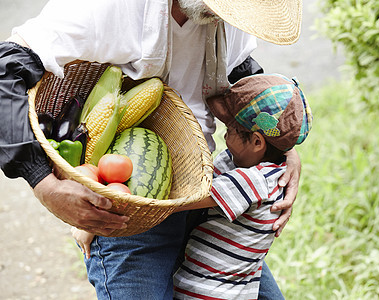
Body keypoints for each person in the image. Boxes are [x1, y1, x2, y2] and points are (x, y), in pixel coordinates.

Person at [0, 0, 303, 298]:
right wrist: (43, 183)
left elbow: (239, 72)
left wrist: (284, 149)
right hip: (131, 211)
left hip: (206, 204)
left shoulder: (234, 17)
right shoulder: (109, 8)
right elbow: (6, 72)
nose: (227, 15)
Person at [73, 73, 312, 299]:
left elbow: (178, 202)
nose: (225, 137)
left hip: (211, 293)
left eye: (230, 130)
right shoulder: (239, 159)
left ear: (258, 142)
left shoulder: (255, 181)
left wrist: (97, 219)